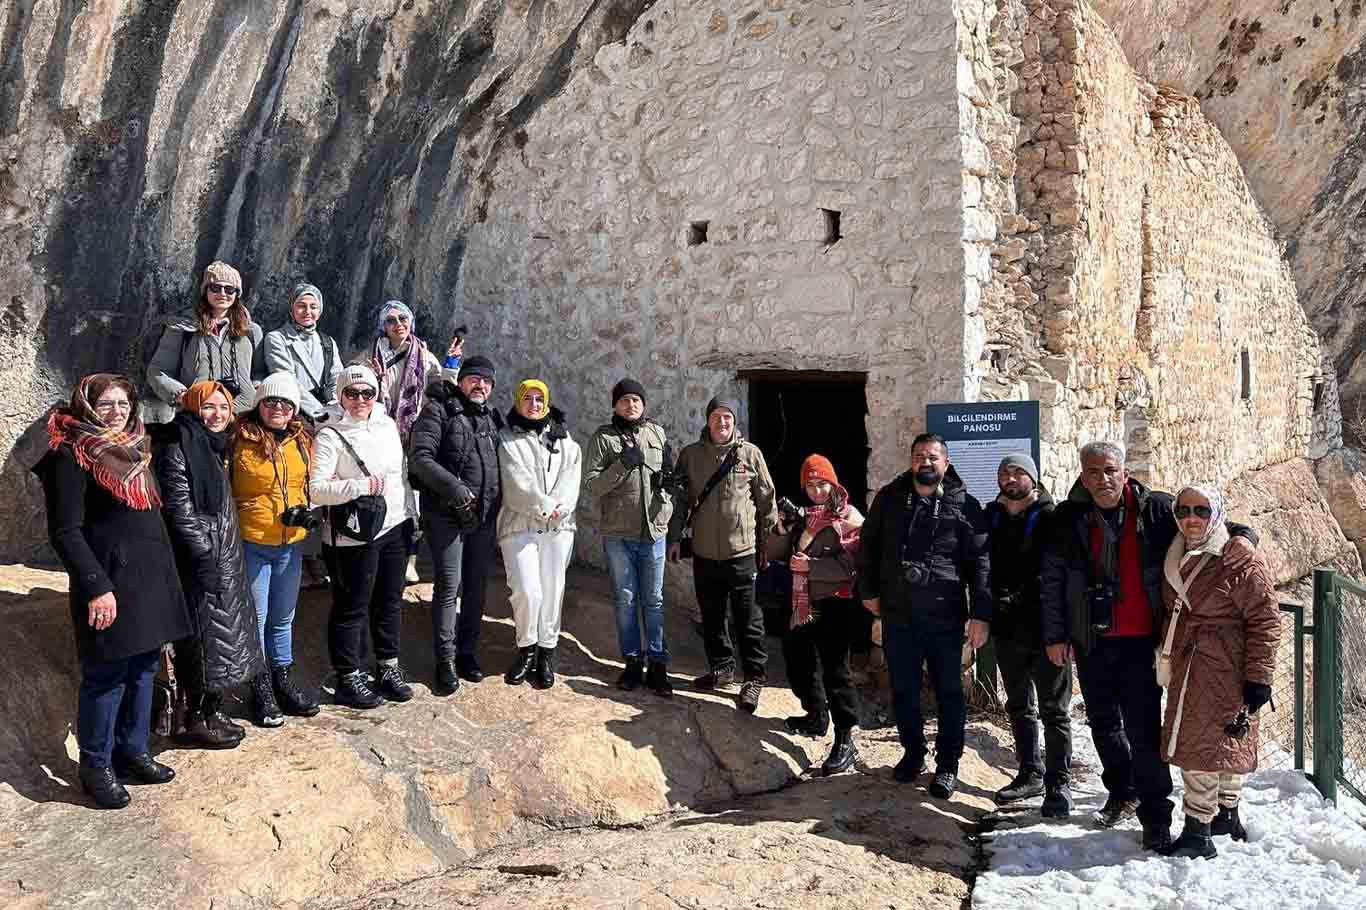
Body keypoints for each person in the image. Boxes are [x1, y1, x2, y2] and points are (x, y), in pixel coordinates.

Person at [1040, 441, 1258, 852]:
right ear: (1082, 476)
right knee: (1103, 723)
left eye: (1109, 471)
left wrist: (1245, 536)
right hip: (1092, 640)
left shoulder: (1155, 509)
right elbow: (1052, 580)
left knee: (1142, 729)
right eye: (1092, 472)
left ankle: (1156, 816)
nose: (1102, 479)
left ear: (1124, 472)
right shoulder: (1068, 518)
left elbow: (1207, 522)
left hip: (1143, 642)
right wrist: (1055, 635)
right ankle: (1122, 790)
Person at [33, 374, 192, 809]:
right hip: (109, 582)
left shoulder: (136, 448)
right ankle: (96, 764)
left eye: (123, 403)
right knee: (106, 675)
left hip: (148, 579)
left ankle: (132, 751)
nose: (117, 411)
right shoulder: (70, 454)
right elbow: (65, 532)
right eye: (106, 404)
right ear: (86, 405)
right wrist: (97, 587)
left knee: (143, 668)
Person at [856, 433, 991, 800]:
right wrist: (868, 591)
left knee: (949, 693)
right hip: (899, 615)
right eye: (918, 456)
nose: (925, 462)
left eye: (933, 456)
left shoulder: (965, 505)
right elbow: (867, 545)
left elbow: (980, 564)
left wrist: (980, 614)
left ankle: (948, 764)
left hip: (946, 618)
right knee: (904, 691)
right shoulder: (890, 498)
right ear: (911, 461)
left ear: (945, 463)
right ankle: (913, 753)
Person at [1158, 484, 1280, 859]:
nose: (1191, 519)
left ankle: (1198, 831)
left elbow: (1265, 620)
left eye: (1201, 510)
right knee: (1224, 742)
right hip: (1190, 662)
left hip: (1224, 666)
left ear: (1217, 513)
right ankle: (1227, 813)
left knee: (1202, 749)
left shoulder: (1239, 559)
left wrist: (1259, 676)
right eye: (1183, 511)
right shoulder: (1180, 548)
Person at [153, 380, 266, 744]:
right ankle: (194, 719)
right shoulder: (178, 444)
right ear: (192, 406)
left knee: (223, 639)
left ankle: (212, 711)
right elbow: (181, 510)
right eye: (209, 407)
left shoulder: (211, 444)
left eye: (223, 407)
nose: (217, 415)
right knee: (204, 642)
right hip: (202, 560)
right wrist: (204, 556)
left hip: (222, 555)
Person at [310, 364, 416, 709]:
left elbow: (399, 476)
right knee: (351, 607)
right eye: (351, 393)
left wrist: (410, 516)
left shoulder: (386, 425)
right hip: (353, 536)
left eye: (367, 393)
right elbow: (316, 490)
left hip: (394, 526)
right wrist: (360, 486)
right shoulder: (329, 434)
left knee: (388, 601)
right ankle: (348, 676)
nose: (360, 400)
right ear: (340, 395)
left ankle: (387, 667)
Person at [668, 396, 777, 714]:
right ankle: (722, 668)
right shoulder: (690, 456)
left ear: (734, 421)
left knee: (748, 620)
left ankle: (754, 677)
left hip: (742, 552)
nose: (722, 422)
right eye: (716, 417)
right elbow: (681, 503)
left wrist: (767, 543)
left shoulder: (750, 454)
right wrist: (676, 538)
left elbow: (767, 501)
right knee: (712, 616)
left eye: (727, 417)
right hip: (704, 553)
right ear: (708, 420)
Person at [408, 355, 503, 693]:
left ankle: (466, 653)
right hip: (446, 514)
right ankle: (444, 660)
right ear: (461, 381)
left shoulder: (491, 418)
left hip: (482, 516)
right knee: (450, 584)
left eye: (486, 382)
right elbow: (420, 458)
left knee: (477, 587)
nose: (480, 386)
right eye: (474, 379)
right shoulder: (438, 410)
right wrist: (457, 490)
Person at [984, 453, 1072, 817]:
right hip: (1008, 630)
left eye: (1018, 471)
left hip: (1047, 631)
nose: (1010, 477)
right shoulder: (992, 517)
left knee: (1055, 711)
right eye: (1005, 472)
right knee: (1019, 705)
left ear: (1032, 478)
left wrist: (1062, 633)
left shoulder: (1055, 517)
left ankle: (1058, 785)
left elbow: (1066, 578)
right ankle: (1029, 772)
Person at [231, 372, 321, 725]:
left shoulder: (302, 440)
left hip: (290, 544)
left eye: (285, 403)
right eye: (270, 401)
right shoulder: (238, 439)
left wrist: (309, 512)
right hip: (252, 542)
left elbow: (309, 484)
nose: (278, 408)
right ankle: (260, 687)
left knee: (283, 618)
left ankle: (283, 680)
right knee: (257, 619)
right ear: (259, 405)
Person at [765, 455, 864, 776]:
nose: (817, 490)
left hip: (834, 603)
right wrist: (781, 528)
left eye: (822, 484)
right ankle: (816, 715)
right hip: (801, 602)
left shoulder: (849, 518)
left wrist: (812, 567)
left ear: (833, 484)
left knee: (836, 671)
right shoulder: (803, 516)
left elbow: (853, 566)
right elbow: (775, 553)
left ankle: (846, 736)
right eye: (810, 485)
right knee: (797, 661)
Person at [582, 379, 675, 697]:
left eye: (636, 400)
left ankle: (658, 664)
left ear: (644, 404)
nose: (631, 405)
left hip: (654, 532)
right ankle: (633, 662)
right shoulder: (603, 438)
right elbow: (592, 486)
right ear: (615, 405)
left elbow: (669, 476)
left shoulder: (657, 434)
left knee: (654, 600)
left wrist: (669, 490)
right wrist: (622, 465)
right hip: (618, 534)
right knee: (626, 600)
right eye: (624, 401)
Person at [497, 380, 582, 689]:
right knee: (526, 590)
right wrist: (547, 507)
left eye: (539, 398)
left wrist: (561, 508)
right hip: (520, 524)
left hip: (559, 528)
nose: (533, 404)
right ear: (518, 401)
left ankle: (546, 650)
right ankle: (526, 647)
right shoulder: (507, 439)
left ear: (546, 402)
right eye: (527, 398)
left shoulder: (566, 442)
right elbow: (516, 485)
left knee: (552, 590)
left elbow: (571, 479)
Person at [370, 299, 443, 584]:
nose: (398, 324)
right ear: (383, 326)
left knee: (414, 498)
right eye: (391, 320)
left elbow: (441, 387)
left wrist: (451, 364)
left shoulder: (424, 356)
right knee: (385, 494)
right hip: (382, 437)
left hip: (414, 437)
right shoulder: (371, 356)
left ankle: (410, 559)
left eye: (403, 318)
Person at [145, 261, 263, 423]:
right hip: (198, 415)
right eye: (215, 287)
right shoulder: (183, 328)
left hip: (243, 416)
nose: (222, 293)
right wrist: (183, 396)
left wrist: (256, 390)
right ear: (205, 290)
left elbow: (259, 371)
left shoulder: (251, 331)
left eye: (229, 289)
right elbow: (158, 371)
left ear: (237, 294)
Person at [262, 283, 343, 424]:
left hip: (331, 413)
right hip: (297, 413)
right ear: (291, 308)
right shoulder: (276, 338)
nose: (307, 311)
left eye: (313, 306)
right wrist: (320, 413)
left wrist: (334, 408)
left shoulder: (328, 342)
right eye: (301, 306)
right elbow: (287, 380)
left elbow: (337, 378)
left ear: (320, 311)